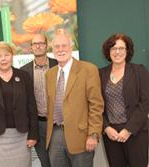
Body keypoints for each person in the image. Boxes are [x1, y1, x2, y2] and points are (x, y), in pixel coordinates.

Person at [0, 41, 39, 167]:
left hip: (21, 136)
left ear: (12, 56)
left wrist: (33, 134)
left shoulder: (24, 76)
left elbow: (31, 106)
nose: (3, 59)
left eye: (6, 55)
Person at [45, 33, 104, 167]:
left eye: (64, 45)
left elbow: (96, 104)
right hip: (55, 134)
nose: (60, 49)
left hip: (81, 135)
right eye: (56, 46)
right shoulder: (49, 74)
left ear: (71, 48)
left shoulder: (88, 69)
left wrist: (93, 134)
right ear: (52, 50)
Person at [100, 33, 149, 167]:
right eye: (113, 48)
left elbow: (145, 103)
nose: (117, 52)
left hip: (136, 133)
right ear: (108, 51)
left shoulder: (139, 71)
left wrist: (128, 130)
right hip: (111, 134)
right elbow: (97, 105)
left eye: (121, 48)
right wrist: (106, 128)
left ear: (128, 51)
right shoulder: (100, 74)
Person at [21, 33, 57, 167]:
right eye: (35, 44)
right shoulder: (24, 71)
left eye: (41, 43)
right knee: (45, 161)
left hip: (57, 123)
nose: (38, 46)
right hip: (37, 124)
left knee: (59, 160)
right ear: (31, 47)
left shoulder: (58, 65)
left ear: (46, 46)